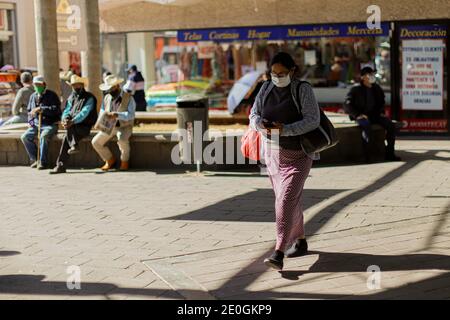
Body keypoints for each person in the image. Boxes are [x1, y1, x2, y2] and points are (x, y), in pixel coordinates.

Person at [249, 52, 321, 271]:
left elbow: (313, 119)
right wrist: (261, 125)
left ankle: (279, 250)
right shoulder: (265, 88)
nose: (277, 77)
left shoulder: (303, 89)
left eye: (282, 73)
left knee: (285, 200)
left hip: (298, 154)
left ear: (292, 71)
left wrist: (285, 130)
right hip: (272, 154)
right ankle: (300, 240)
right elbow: (253, 116)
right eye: (273, 73)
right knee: (289, 200)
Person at [344, 66, 401, 162]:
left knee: (390, 125)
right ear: (363, 77)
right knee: (367, 127)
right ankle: (367, 157)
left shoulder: (376, 88)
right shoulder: (356, 89)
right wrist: (357, 114)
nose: (371, 76)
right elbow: (347, 104)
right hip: (361, 115)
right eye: (369, 74)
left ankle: (390, 154)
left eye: (372, 74)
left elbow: (381, 101)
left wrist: (381, 113)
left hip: (375, 115)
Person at [50, 75, 98, 174]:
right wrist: (65, 119)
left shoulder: (90, 97)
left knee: (67, 133)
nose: (76, 87)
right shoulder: (71, 97)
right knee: (67, 135)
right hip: (72, 127)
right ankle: (71, 149)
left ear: (82, 85)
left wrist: (72, 121)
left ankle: (61, 165)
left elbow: (84, 113)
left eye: (78, 85)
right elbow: (67, 110)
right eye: (74, 85)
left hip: (84, 126)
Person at [92, 75, 136, 171]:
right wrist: (99, 123)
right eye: (108, 89)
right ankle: (110, 160)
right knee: (95, 142)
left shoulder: (129, 98)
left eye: (110, 88)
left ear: (117, 86)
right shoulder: (107, 97)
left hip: (125, 126)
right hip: (109, 126)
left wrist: (117, 115)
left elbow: (131, 115)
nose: (109, 91)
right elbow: (102, 111)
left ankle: (124, 162)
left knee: (122, 140)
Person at [21, 76, 61, 170]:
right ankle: (36, 159)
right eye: (36, 85)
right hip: (35, 124)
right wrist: (31, 123)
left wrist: (42, 109)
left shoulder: (52, 95)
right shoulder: (33, 96)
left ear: (44, 85)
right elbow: (30, 112)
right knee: (25, 137)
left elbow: (56, 110)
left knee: (43, 136)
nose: (37, 86)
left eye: (39, 84)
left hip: (49, 124)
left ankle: (43, 162)